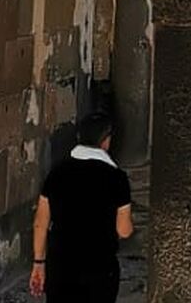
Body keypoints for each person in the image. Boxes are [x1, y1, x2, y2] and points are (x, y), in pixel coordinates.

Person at [30, 110, 133, 302]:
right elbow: (124, 230)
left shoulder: (57, 173)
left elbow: (40, 224)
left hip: (61, 264)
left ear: (79, 137)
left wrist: (38, 263)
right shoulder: (117, 179)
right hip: (99, 266)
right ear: (106, 140)